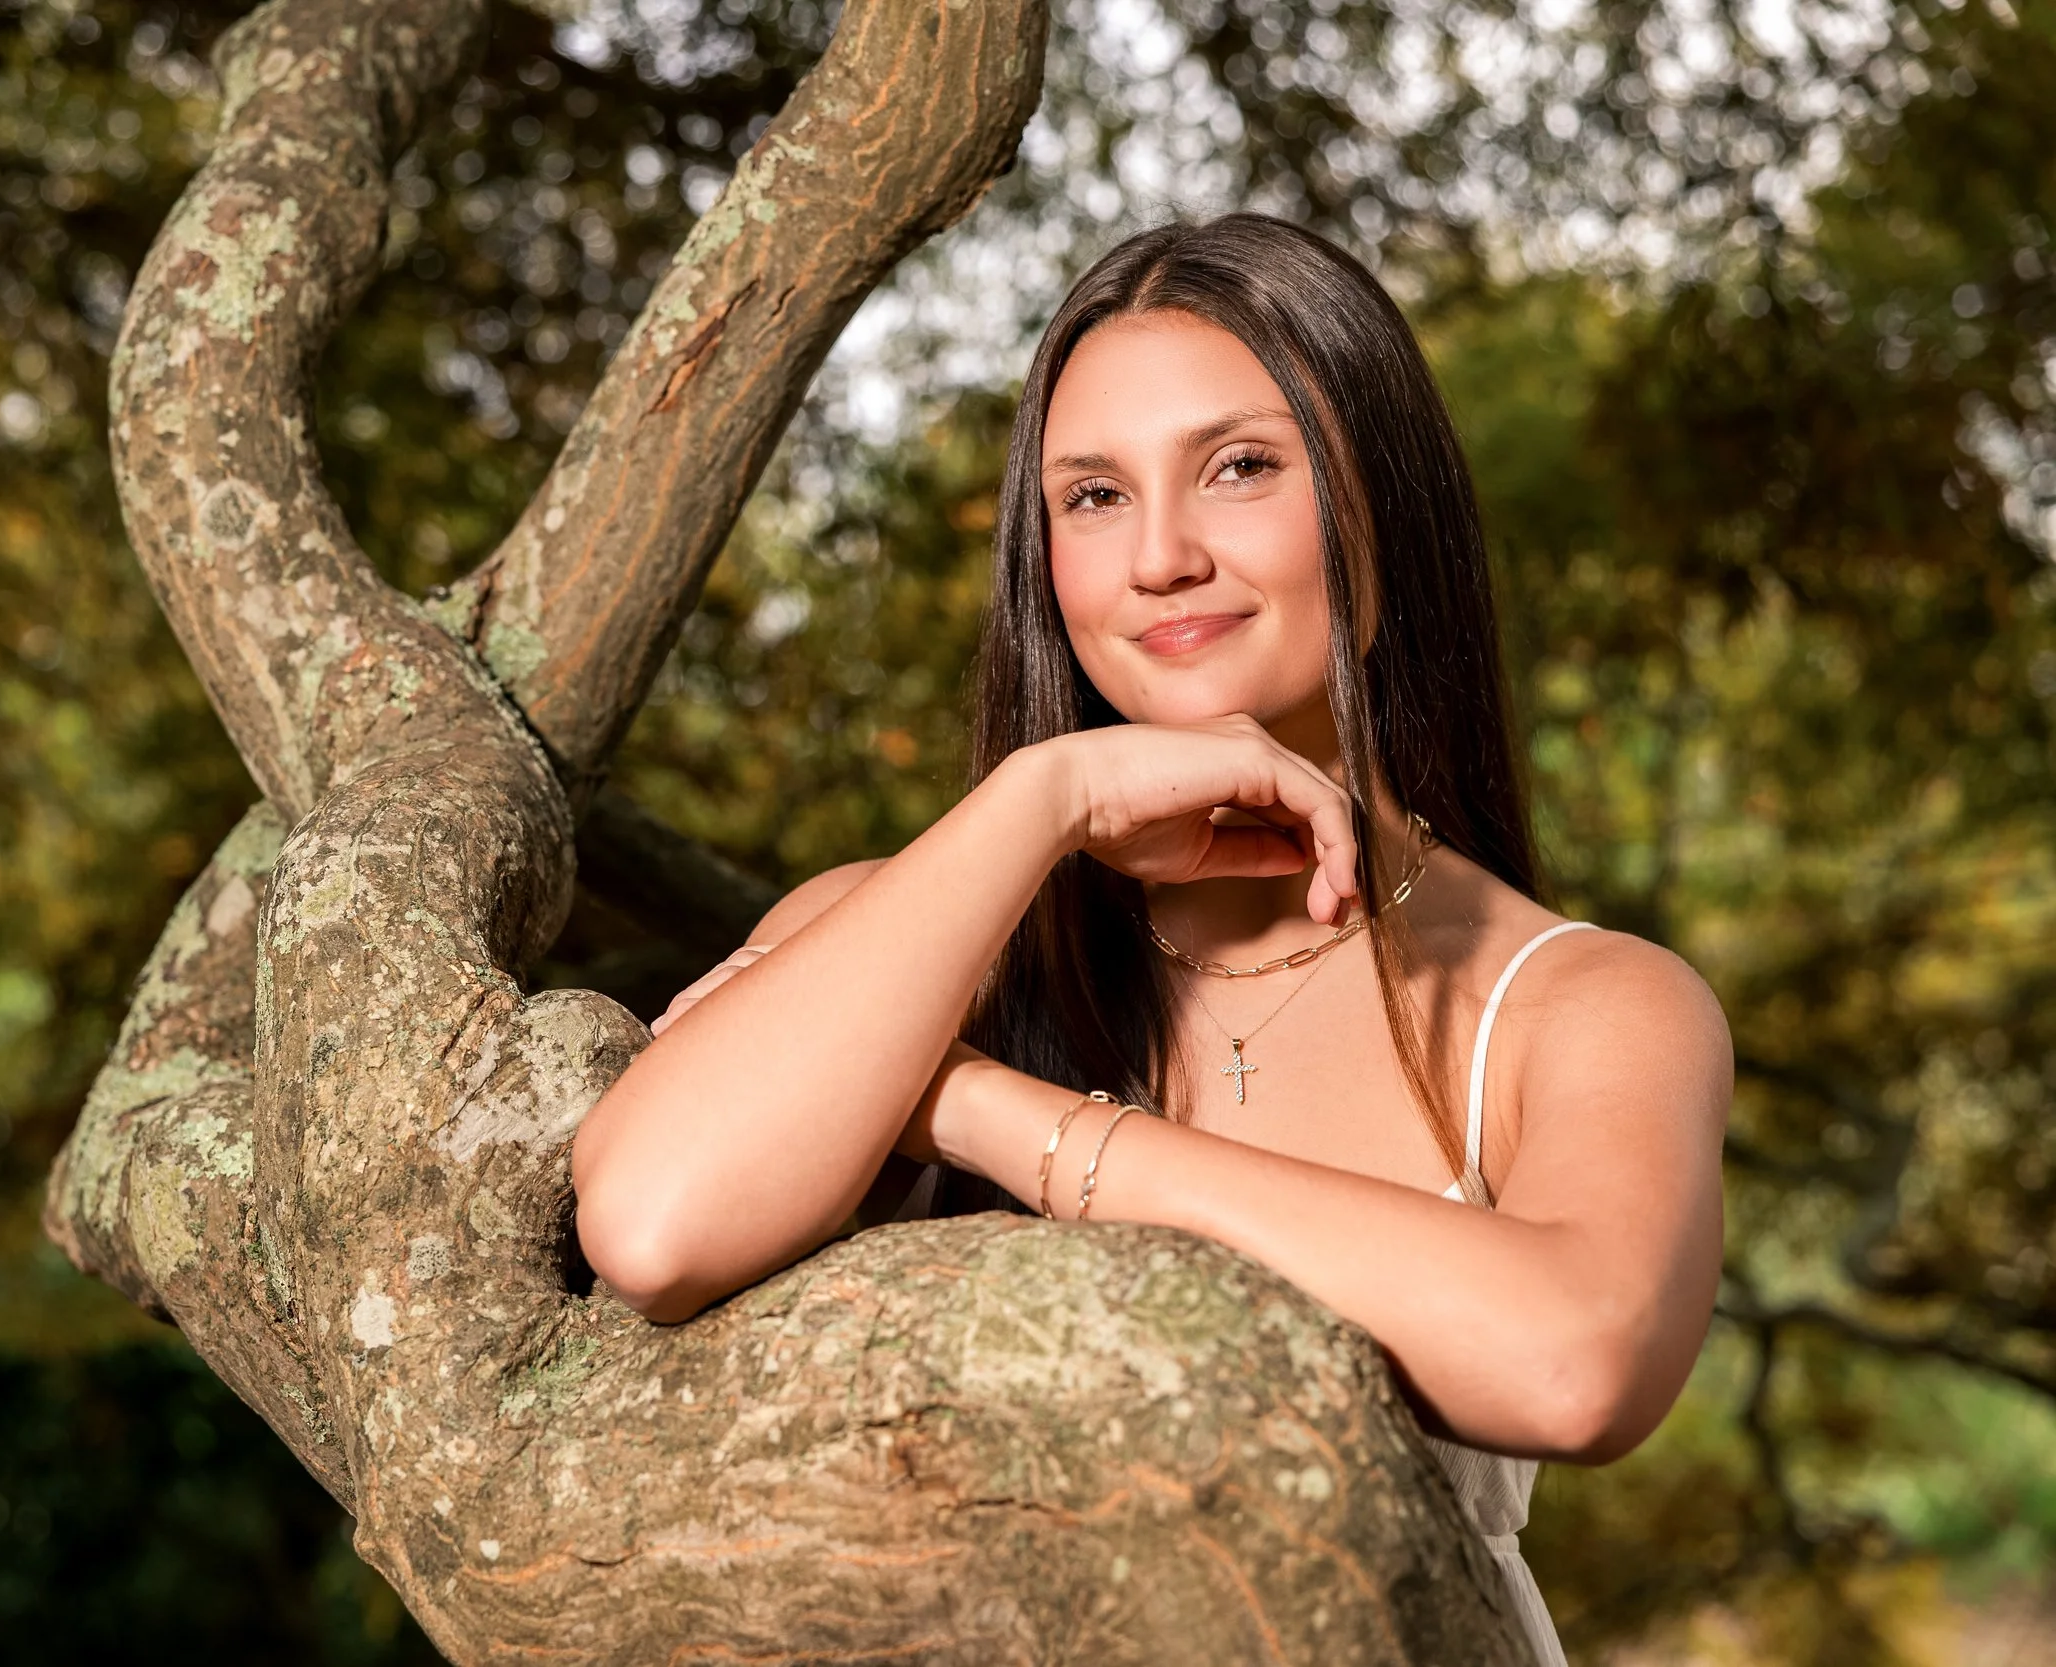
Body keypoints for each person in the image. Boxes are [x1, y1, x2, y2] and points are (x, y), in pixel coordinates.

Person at [568, 213, 1732, 1664]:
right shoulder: (919, 926)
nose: (1163, 556)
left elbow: (1578, 1363)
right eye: (1095, 496)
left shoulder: (1578, 1004)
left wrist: (983, 1109)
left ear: (1382, 501)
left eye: (1240, 467)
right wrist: (1042, 793)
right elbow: (651, 1227)